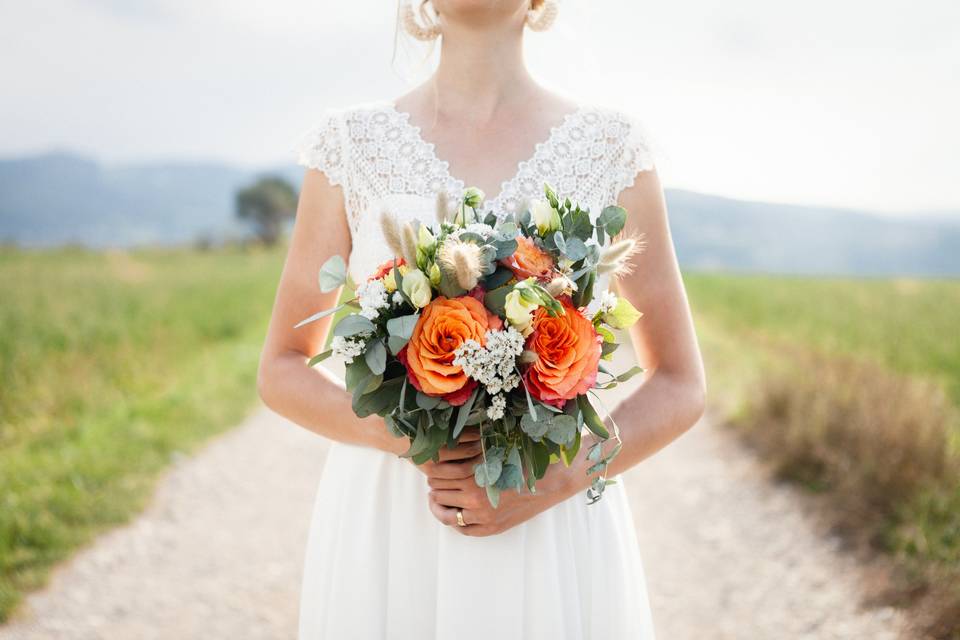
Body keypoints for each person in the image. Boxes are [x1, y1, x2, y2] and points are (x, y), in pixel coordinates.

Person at [257, 1, 706, 637]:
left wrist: (552, 480)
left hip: (550, 525)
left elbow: (682, 383)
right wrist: (409, 441)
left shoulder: (611, 149)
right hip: (394, 520)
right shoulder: (351, 147)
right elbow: (281, 368)